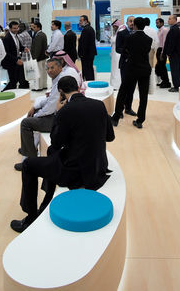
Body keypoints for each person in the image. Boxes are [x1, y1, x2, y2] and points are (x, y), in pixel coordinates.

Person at [10, 76, 115, 233]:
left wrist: (59, 112)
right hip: (97, 167)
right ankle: (46, 201)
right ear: (78, 88)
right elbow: (110, 137)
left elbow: (56, 141)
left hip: (75, 171)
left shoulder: (65, 110)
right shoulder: (99, 105)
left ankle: (30, 217)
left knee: (29, 164)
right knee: (53, 157)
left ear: (61, 93)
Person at [14, 58, 80, 170]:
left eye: (52, 67)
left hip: (57, 120)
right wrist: (35, 107)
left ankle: (31, 160)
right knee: (35, 112)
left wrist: (37, 114)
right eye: (48, 68)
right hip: (58, 115)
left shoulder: (61, 80)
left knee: (26, 123)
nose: (49, 70)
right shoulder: (59, 78)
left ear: (60, 67)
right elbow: (50, 99)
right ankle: (28, 148)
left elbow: (51, 106)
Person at [112, 17, 153, 128]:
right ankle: (140, 120)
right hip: (144, 69)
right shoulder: (149, 39)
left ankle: (116, 117)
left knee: (122, 92)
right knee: (143, 95)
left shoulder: (129, 38)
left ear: (134, 25)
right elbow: (147, 51)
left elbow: (124, 49)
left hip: (131, 68)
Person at [162, 14, 180, 92]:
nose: (168, 20)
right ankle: (179, 85)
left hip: (174, 54)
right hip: (176, 53)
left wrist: (168, 52)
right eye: (168, 19)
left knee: (175, 70)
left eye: (170, 19)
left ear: (175, 20)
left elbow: (172, 43)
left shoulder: (174, 29)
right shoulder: (175, 28)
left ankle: (177, 86)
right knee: (177, 70)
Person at [1, 21, 25, 91]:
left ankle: (11, 93)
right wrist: (16, 60)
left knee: (16, 79)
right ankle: (4, 92)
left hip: (16, 60)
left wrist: (23, 48)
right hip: (11, 62)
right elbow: (6, 53)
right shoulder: (7, 38)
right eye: (14, 28)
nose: (16, 30)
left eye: (17, 28)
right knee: (13, 80)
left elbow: (18, 46)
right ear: (10, 29)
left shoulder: (16, 36)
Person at [29, 21, 49, 91]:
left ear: (38, 27)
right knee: (43, 72)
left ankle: (38, 87)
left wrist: (35, 58)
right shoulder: (43, 34)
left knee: (38, 73)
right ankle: (44, 85)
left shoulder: (39, 35)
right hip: (43, 57)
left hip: (38, 58)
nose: (33, 28)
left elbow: (38, 48)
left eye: (34, 27)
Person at [78, 15, 97, 81]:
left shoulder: (86, 30)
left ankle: (89, 84)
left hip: (86, 55)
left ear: (85, 21)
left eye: (81, 20)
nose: (79, 22)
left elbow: (84, 44)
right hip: (89, 54)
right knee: (89, 70)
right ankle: (90, 82)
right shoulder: (89, 28)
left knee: (87, 70)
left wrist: (81, 54)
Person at [155, 17, 171, 88]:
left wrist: (162, 52)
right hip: (159, 49)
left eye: (157, 23)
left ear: (162, 23)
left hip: (162, 50)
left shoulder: (164, 30)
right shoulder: (159, 30)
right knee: (159, 67)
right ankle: (163, 80)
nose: (156, 24)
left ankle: (166, 82)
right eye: (156, 23)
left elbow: (165, 42)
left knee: (162, 67)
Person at [109, 19, 122, 89]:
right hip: (114, 54)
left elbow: (115, 40)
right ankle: (114, 84)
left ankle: (117, 85)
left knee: (116, 69)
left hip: (117, 54)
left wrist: (110, 38)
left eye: (114, 26)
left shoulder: (119, 32)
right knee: (114, 69)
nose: (113, 28)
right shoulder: (117, 32)